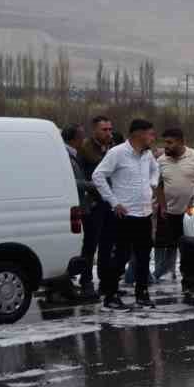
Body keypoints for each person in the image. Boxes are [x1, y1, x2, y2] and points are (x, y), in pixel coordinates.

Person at [92, 118, 160, 310]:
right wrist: (114, 202)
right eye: (150, 134)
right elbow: (98, 176)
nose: (153, 138)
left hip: (144, 213)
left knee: (144, 256)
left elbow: (155, 169)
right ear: (138, 134)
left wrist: (152, 184)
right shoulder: (117, 153)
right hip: (125, 215)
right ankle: (111, 296)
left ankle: (142, 294)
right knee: (121, 257)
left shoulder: (147, 154)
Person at [154, 127, 194, 304]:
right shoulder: (161, 161)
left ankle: (189, 283)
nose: (166, 146)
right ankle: (168, 275)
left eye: (170, 142)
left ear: (181, 142)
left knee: (189, 249)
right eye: (164, 142)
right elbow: (158, 186)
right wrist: (162, 206)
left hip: (192, 213)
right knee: (172, 246)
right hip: (171, 213)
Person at [76, 115, 120, 296]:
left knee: (108, 245)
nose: (109, 133)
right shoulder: (85, 149)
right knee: (90, 244)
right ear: (95, 130)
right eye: (104, 129)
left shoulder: (114, 148)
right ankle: (86, 281)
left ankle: (105, 282)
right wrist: (94, 189)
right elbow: (80, 176)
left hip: (112, 202)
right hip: (93, 203)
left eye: (110, 129)